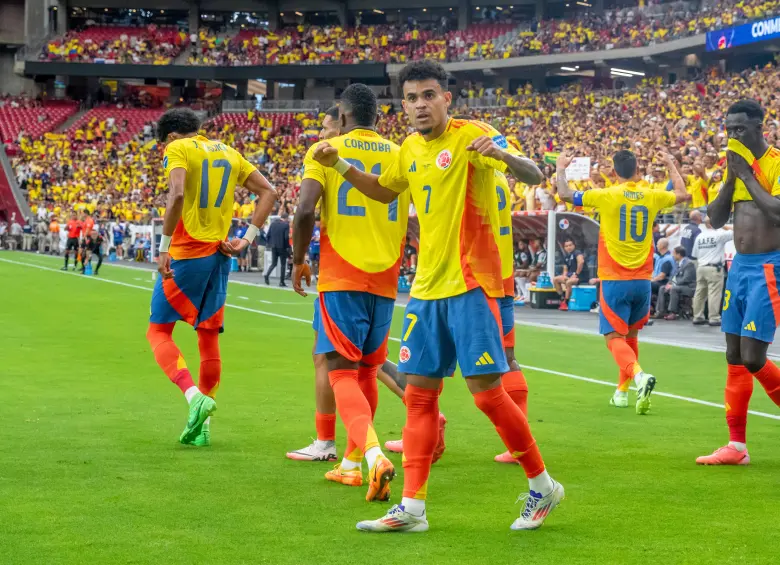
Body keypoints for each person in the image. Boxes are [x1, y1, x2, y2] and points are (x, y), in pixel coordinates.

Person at [313, 60, 562, 533]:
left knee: (487, 395)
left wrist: (504, 156)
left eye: (429, 95)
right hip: (425, 291)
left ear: (447, 98)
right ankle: (412, 508)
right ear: (402, 105)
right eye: (411, 98)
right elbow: (384, 193)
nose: (420, 104)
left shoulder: (474, 135)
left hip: (471, 286)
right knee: (419, 398)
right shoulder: (407, 148)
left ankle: (542, 485)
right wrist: (340, 166)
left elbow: (534, 173)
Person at [291, 84, 410, 501]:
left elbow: (305, 210)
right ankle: (350, 463)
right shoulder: (401, 153)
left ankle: (374, 456)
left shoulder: (325, 150)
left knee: (339, 369)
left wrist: (299, 259)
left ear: (341, 115)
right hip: (387, 275)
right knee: (367, 371)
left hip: (342, 272)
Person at [146, 108, 277, 447]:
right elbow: (269, 193)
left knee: (158, 330)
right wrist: (246, 240)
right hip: (221, 255)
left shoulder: (177, 150)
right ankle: (203, 429)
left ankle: (194, 397)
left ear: (172, 136)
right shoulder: (230, 152)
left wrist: (163, 247)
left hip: (188, 252)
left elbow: (176, 195)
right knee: (208, 337)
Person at [556, 149, 689, 412]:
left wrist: (561, 168)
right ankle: (622, 392)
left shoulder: (608, 195)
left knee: (613, 338)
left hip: (615, 279)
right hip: (642, 280)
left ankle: (639, 377)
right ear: (637, 168)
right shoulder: (650, 194)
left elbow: (565, 194)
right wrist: (671, 164)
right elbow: (683, 194)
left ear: (614, 172)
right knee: (631, 336)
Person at [697, 99, 780, 465]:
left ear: (761, 127)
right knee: (733, 355)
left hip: (769, 266)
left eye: (741, 129)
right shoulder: (733, 166)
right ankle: (737, 447)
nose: (733, 136)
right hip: (740, 266)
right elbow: (715, 219)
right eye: (729, 130)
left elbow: (777, 212)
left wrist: (746, 174)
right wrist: (731, 179)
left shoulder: (775, 162)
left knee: (752, 355)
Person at [691, 217, 732, 326]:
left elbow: (694, 255)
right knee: (714, 293)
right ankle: (713, 318)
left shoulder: (699, 236)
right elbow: (735, 231)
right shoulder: (719, 234)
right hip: (714, 268)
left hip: (701, 267)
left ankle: (697, 316)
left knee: (699, 293)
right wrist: (722, 225)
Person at [654, 246, 696, 320]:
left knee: (674, 289)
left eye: (674, 253)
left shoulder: (689, 264)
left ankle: (672, 312)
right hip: (679, 285)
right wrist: (669, 283)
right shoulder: (677, 263)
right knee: (662, 288)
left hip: (688, 287)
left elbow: (686, 278)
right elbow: (673, 276)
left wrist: (673, 284)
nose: (672, 255)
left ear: (679, 254)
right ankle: (661, 311)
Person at [555, 237, 589, 311]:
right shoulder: (566, 256)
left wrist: (576, 274)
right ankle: (562, 297)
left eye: (570, 245)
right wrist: (564, 276)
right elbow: (565, 269)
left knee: (569, 282)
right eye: (566, 246)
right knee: (556, 279)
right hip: (571, 276)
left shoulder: (577, 253)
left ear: (574, 246)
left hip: (581, 276)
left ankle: (566, 303)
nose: (568, 247)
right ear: (564, 248)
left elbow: (581, 262)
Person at [263, 212, 291, 287]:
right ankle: (281, 281)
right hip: (282, 246)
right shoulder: (285, 225)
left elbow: (268, 235)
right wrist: (287, 247)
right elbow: (286, 237)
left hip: (273, 246)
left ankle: (267, 274)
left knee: (274, 263)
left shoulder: (273, 224)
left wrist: (270, 244)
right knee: (283, 264)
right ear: (286, 218)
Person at [651, 238, 674, 303]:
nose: (657, 245)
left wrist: (652, 280)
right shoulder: (660, 257)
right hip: (658, 280)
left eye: (658, 244)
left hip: (664, 282)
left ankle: (649, 307)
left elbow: (662, 276)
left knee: (647, 285)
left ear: (662, 245)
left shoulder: (667, 259)